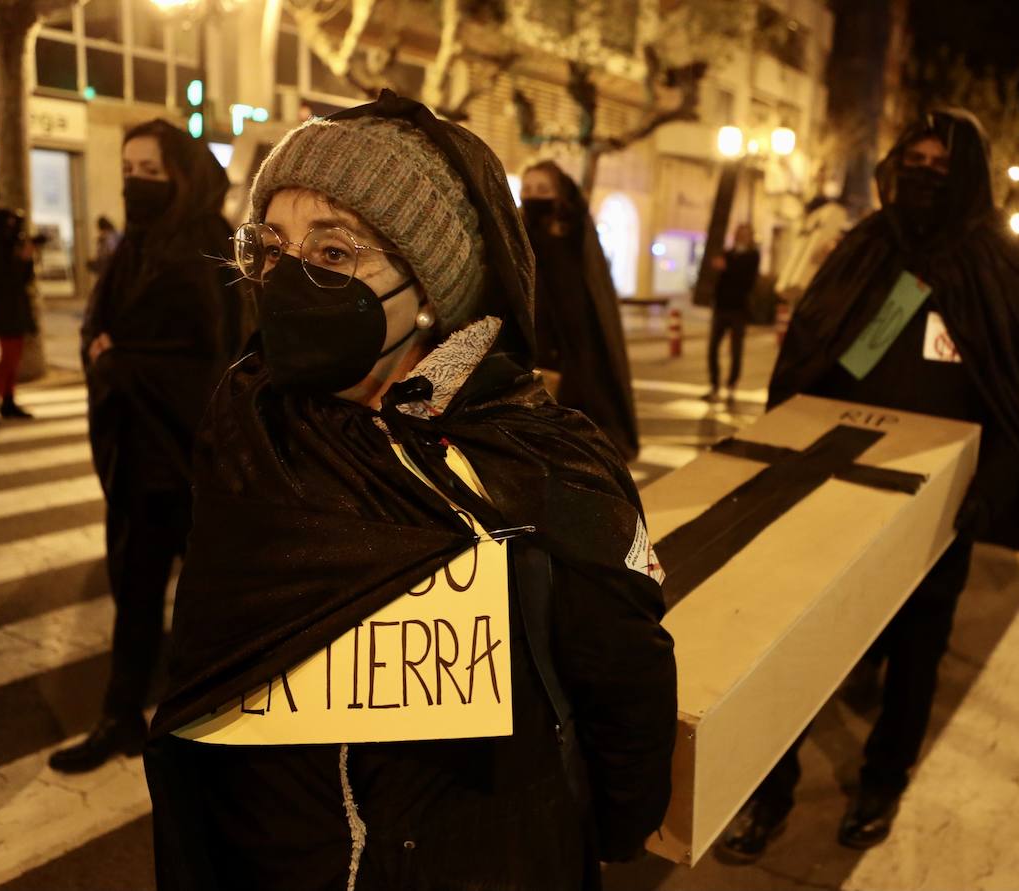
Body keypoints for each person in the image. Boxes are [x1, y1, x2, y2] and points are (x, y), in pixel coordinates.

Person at [143, 92, 676, 889]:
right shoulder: (247, 423)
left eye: (332, 253)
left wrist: (620, 819)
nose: (288, 279)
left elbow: (623, 670)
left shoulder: (539, 461)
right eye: (272, 247)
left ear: (429, 287)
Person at [721, 109, 1019, 860]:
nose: (925, 171)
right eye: (915, 157)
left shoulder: (999, 269)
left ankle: (882, 779)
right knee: (802, 644)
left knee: (915, 653)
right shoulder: (865, 250)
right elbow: (812, 355)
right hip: (838, 488)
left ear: (966, 173)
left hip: (943, 502)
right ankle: (769, 790)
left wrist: (989, 493)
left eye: (941, 162)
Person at [49, 120, 242, 773]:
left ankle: (202, 725)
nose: (134, 182)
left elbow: (214, 357)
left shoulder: (209, 246)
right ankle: (119, 714)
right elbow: (98, 326)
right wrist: (108, 358)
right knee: (133, 589)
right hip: (137, 452)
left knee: (208, 600)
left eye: (149, 171)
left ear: (180, 177)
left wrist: (120, 363)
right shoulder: (135, 245)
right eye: (127, 169)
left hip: (190, 456)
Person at [520, 160, 640, 460]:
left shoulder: (575, 241)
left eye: (543, 189)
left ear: (559, 195)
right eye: (529, 189)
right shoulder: (517, 238)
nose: (534, 196)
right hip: (530, 349)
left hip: (575, 356)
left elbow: (584, 302)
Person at [0, 207, 38, 425]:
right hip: (5, 309)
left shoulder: (4, 244)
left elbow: (22, 278)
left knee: (14, 358)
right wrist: (24, 259)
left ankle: (8, 401)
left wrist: (25, 258)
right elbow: (9, 278)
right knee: (8, 358)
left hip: (13, 307)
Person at [706, 223, 761, 402]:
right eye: (740, 233)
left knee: (736, 350)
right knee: (713, 347)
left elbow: (746, 281)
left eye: (746, 233)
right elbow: (718, 280)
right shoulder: (727, 253)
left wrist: (726, 268)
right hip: (722, 307)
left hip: (738, 309)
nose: (742, 236)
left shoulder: (753, 256)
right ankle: (714, 385)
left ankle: (731, 385)